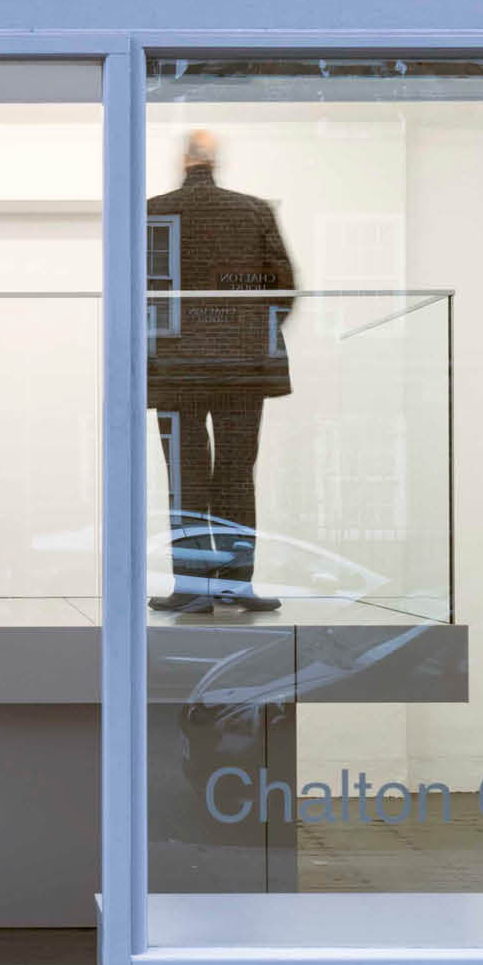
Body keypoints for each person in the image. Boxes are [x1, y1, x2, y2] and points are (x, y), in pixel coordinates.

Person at [147, 129, 297, 613]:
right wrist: (249, 334)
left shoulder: (153, 211)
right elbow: (283, 288)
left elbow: (138, 291)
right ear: (215, 161)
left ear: (184, 161)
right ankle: (236, 584)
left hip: (176, 368)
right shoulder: (253, 211)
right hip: (242, 368)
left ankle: (192, 589)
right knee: (236, 475)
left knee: (186, 479)